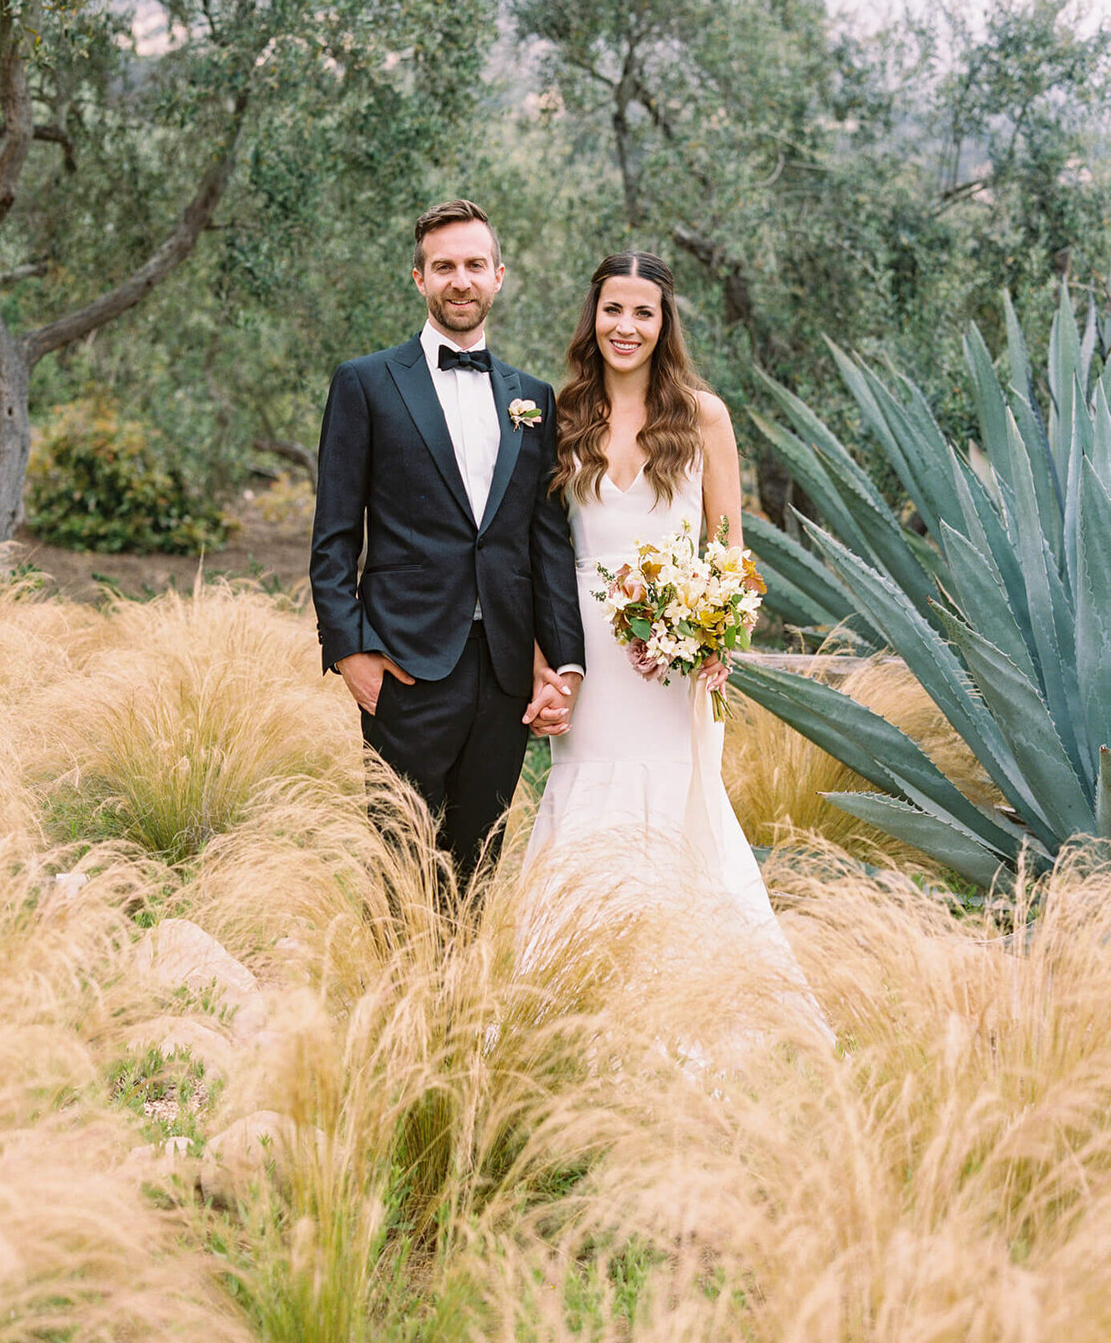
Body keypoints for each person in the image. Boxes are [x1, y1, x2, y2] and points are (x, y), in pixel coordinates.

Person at [524, 252, 829, 1039]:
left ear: (665, 325)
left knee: (674, 802)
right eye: (613, 310)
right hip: (585, 650)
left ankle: (685, 1004)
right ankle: (576, 997)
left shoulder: (703, 417)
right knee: (587, 793)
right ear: (593, 318)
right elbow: (539, 548)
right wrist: (546, 657)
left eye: (644, 313)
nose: (627, 327)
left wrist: (714, 633)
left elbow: (729, 548)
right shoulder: (562, 415)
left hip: (670, 655)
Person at [310, 199, 585, 883]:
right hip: (403, 665)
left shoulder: (534, 398)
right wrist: (349, 651)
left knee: (477, 862)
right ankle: (396, 990)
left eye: (472, 265)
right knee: (399, 861)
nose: (459, 280)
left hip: (503, 672)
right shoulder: (365, 383)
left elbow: (545, 542)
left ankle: (463, 992)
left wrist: (565, 665)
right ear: (418, 279)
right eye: (443, 268)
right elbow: (334, 536)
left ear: (498, 276)